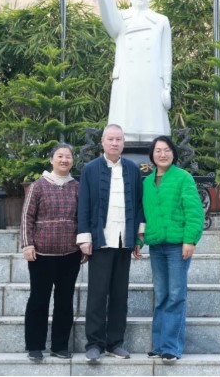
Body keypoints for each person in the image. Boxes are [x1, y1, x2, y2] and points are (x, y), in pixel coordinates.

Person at [76, 124, 144, 363]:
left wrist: (138, 237)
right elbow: (84, 205)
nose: (115, 143)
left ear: (123, 143)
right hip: (100, 241)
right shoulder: (90, 169)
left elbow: (139, 204)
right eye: (110, 139)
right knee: (97, 295)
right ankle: (94, 344)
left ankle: (115, 343)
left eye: (119, 139)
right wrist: (85, 237)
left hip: (124, 241)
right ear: (102, 142)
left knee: (119, 295)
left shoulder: (133, 169)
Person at [138, 136, 204, 362]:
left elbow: (194, 211)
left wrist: (190, 240)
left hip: (177, 246)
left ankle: (171, 347)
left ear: (173, 153)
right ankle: (158, 345)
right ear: (152, 155)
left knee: (176, 295)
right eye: (158, 150)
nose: (162, 154)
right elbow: (143, 215)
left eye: (166, 150)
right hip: (157, 246)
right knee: (162, 294)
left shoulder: (183, 177)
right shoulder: (147, 182)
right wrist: (139, 241)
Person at [91, 0, 172, 142]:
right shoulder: (121, 19)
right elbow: (108, 16)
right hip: (127, 77)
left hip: (151, 78)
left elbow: (167, 55)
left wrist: (167, 85)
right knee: (125, 123)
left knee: (152, 126)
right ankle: (124, 141)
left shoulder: (160, 21)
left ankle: (153, 143)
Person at [20, 143, 85, 362]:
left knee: (64, 302)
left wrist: (84, 244)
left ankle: (60, 346)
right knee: (39, 300)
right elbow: (27, 217)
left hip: (70, 254)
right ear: (51, 160)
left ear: (72, 161)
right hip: (41, 255)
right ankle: (34, 346)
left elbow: (83, 217)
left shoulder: (77, 187)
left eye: (68, 156)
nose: (64, 160)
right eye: (60, 156)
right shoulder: (38, 186)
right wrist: (27, 244)